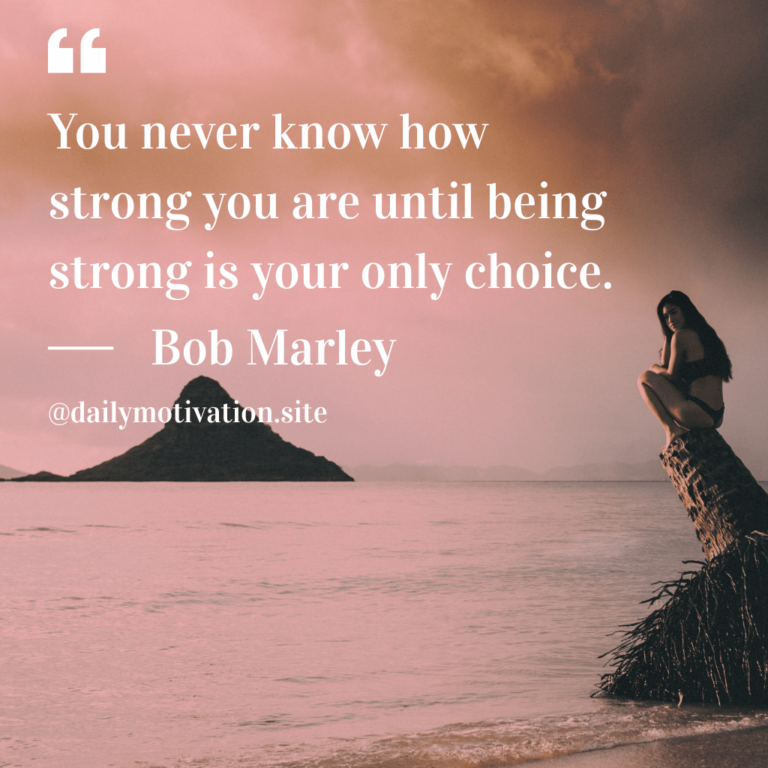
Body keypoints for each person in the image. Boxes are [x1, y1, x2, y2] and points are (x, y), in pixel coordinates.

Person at [638, 290, 732, 451]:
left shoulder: (682, 336)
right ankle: (675, 428)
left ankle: (671, 430)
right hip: (717, 417)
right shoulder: (708, 336)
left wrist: (653, 367)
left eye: (673, 313)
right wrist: (667, 336)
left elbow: (670, 376)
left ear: (686, 311)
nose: (670, 320)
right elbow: (668, 367)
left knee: (644, 377)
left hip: (696, 413)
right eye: (665, 317)